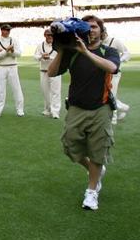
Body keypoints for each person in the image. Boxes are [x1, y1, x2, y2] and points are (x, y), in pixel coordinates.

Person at [47, 15, 120, 211]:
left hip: (101, 108)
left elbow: (112, 68)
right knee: (70, 147)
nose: (92, 30)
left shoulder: (108, 51)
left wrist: (86, 52)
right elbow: (51, 73)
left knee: (97, 151)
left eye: (95, 27)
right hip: (76, 108)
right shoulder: (72, 53)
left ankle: (92, 191)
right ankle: (94, 172)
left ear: (101, 31)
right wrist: (61, 50)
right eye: (88, 27)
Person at [0, 24, 25, 118]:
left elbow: (19, 54)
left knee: (16, 88)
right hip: (1, 67)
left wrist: (12, 51)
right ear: (1, 30)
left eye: (9, 30)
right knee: (0, 89)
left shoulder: (14, 40)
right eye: (6, 30)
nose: (7, 32)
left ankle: (20, 109)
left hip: (12, 67)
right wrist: (6, 51)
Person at [101, 30, 131, 123]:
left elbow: (127, 53)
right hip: (103, 72)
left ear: (104, 32)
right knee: (106, 94)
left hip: (115, 72)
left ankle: (113, 119)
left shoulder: (115, 41)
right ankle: (124, 107)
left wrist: (119, 61)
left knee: (112, 94)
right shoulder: (99, 42)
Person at [33, 29, 61, 119]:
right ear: (45, 35)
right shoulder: (40, 45)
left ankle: (55, 111)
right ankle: (47, 109)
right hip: (44, 71)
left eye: (51, 35)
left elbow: (60, 58)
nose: (50, 37)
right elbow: (35, 56)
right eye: (48, 35)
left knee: (55, 92)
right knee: (45, 91)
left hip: (55, 71)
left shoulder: (58, 45)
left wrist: (50, 57)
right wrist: (41, 57)